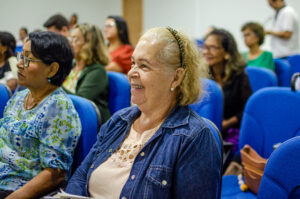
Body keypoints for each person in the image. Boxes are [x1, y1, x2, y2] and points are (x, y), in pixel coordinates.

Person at [65, 27, 221, 199]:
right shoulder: (119, 120)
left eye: (144, 66)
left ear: (176, 78)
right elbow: (80, 177)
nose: (131, 73)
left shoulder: (194, 138)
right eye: (133, 63)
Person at [0, 31, 81, 198]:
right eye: (21, 56)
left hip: (18, 188)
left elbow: (55, 174)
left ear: (52, 69)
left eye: (28, 59)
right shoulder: (20, 96)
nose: (19, 64)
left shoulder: (58, 108)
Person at [203, 28, 252, 148]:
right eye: (205, 47)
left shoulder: (240, 77)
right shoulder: (203, 77)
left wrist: (227, 123)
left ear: (227, 53)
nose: (206, 52)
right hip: (207, 131)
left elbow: (248, 110)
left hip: (233, 131)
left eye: (213, 47)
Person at [62, 23, 111, 123]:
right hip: (68, 117)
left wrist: (53, 84)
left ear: (89, 44)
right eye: (70, 39)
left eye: (75, 39)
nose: (70, 43)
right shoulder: (72, 65)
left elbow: (80, 102)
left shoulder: (97, 71)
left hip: (88, 123)